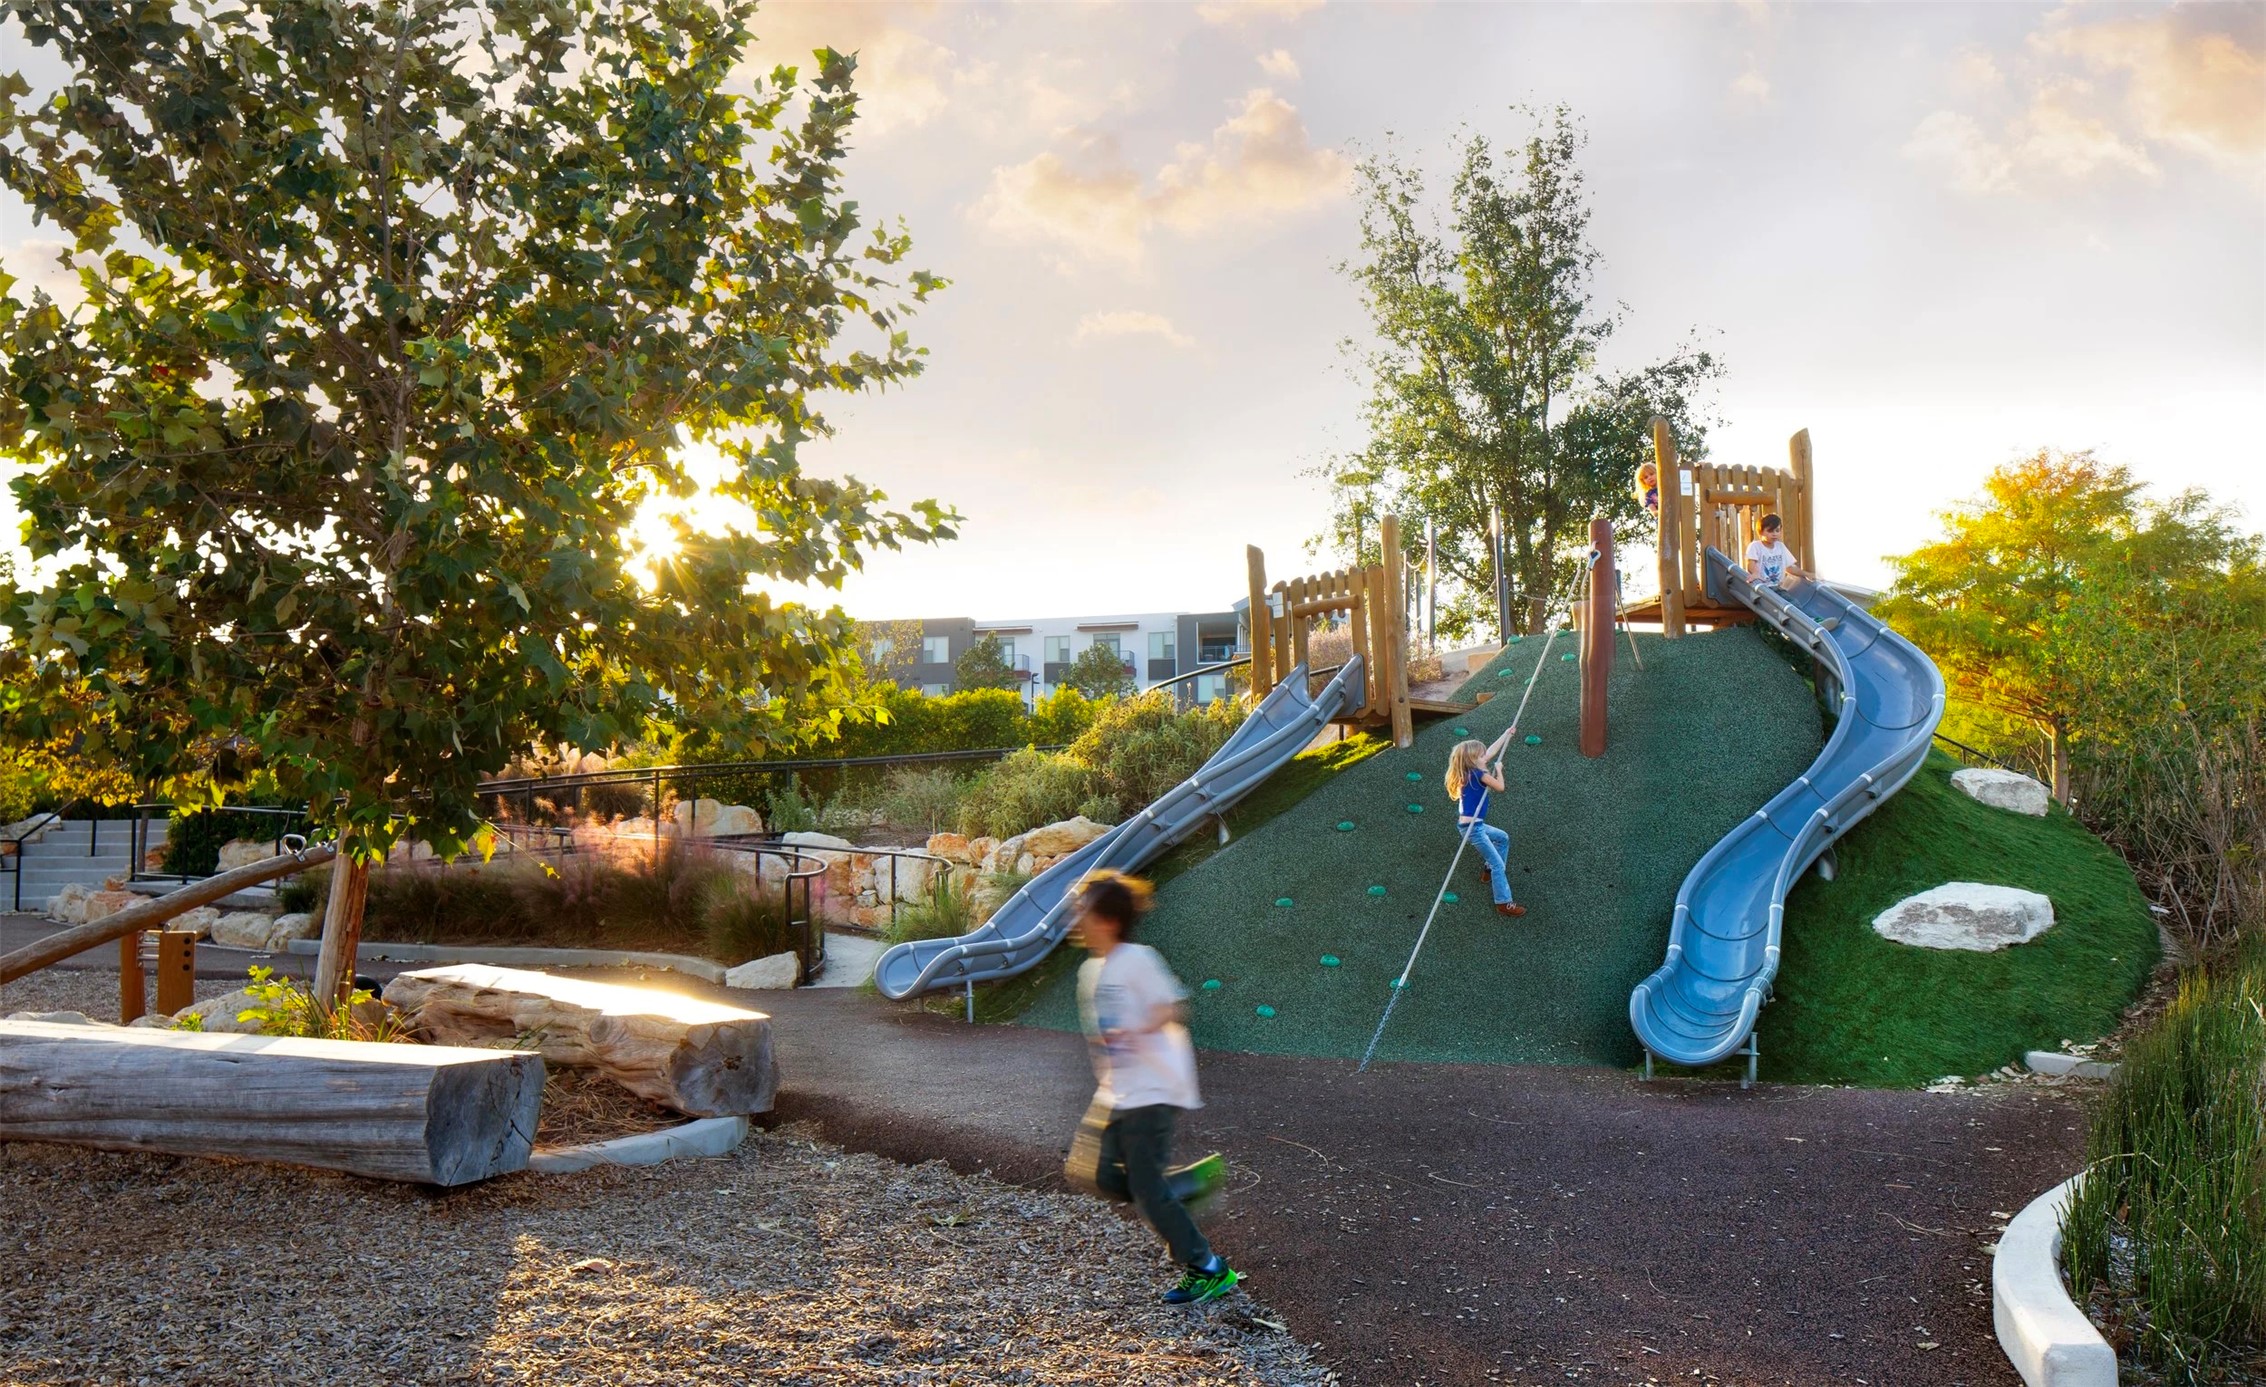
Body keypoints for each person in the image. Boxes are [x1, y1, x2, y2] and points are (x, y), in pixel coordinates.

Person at [1063, 870, 1237, 1305]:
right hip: (1117, 1089)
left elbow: (1175, 1007)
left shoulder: (1138, 959)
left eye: (1082, 912)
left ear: (1108, 921)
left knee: (1144, 1187)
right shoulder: (1091, 970)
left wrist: (1138, 1027)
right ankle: (1180, 1188)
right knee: (1095, 1173)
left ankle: (1208, 1267)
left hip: (1153, 1087)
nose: (1075, 920)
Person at [1445, 730, 1526, 918]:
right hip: (1473, 829)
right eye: (1482, 756)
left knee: (1502, 838)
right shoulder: (1479, 774)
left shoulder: (1469, 772)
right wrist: (1499, 770)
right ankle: (1504, 903)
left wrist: (1506, 734)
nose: (1486, 757)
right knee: (1499, 865)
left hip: (1472, 826)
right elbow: (1500, 787)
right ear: (1474, 760)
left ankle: (1488, 870)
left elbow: (1490, 752)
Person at [1744, 513, 1809, 590]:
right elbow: (1751, 563)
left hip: (1778, 587)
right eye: (1770, 531)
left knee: (1789, 598)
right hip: (1761, 588)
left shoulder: (1780, 546)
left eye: (1777, 531)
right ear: (1761, 532)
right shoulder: (1755, 546)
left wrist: (1806, 574)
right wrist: (1755, 573)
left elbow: (1789, 567)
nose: (1774, 534)